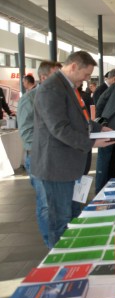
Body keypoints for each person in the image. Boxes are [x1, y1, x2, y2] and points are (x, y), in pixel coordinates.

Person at [30, 51, 115, 248]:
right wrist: (93, 143)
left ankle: (73, 255)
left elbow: (79, 120)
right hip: (56, 167)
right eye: (86, 74)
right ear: (74, 66)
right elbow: (59, 128)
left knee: (73, 213)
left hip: (71, 165)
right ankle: (59, 264)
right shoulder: (52, 89)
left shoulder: (67, 87)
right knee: (60, 219)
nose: (87, 79)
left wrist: (98, 128)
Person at [16, 60, 62, 248]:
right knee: (46, 205)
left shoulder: (61, 97)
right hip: (39, 158)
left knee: (61, 204)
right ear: (44, 77)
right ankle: (51, 245)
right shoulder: (29, 99)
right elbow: (26, 133)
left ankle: (61, 240)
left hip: (61, 158)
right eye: (58, 75)